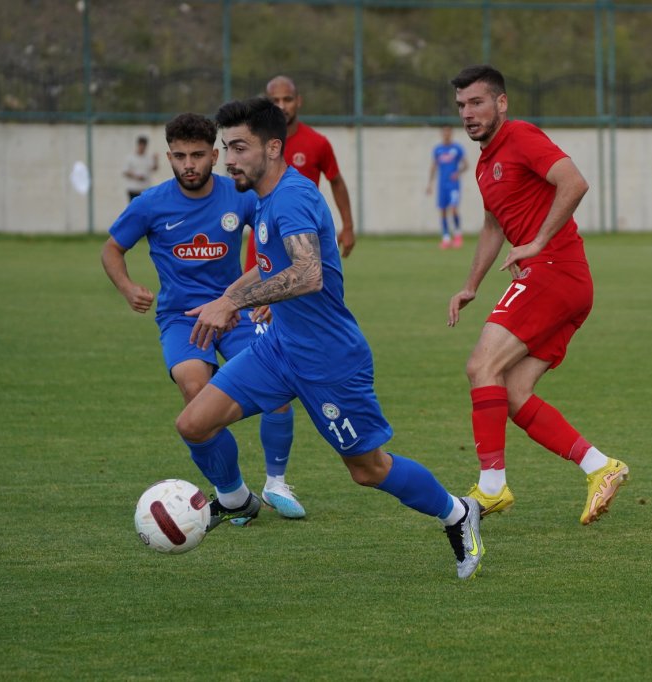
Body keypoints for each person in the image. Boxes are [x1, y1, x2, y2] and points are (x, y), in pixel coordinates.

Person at [178, 97, 484, 579]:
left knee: (368, 470)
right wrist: (227, 296)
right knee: (194, 423)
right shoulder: (263, 197)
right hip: (278, 349)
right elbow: (268, 265)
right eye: (225, 147)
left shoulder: (294, 198)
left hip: (329, 360)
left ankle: (458, 512)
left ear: (273, 147)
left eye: (238, 147)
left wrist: (231, 304)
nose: (228, 159)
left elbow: (308, 273)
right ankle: (237, 499)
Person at [447, 64, 628, 525]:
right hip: (561, 280)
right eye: (462, 106)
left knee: (480, 366)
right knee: (510, 391)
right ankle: (600, 466)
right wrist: (470, 286)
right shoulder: (486, 164)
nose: (468, 113)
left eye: (477, 103)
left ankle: (491, 488)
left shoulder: (522, 136)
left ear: (501, 103)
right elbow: (493, 226)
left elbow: (575, 183)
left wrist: (539, 241)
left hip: (554, 271)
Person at [101, 112, 305, 520]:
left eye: (197, 155)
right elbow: (111, 250)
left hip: (236, 311)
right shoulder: (151, 204)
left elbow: (277, 244)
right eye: (179, 156)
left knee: (279, 389)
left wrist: (263, 293)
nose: (188, 164)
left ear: (215, 155)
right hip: (181, 318)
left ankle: (277, 484)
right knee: (196, 392)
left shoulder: (240, 196)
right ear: (168, 157)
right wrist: (127, 288)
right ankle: (234, 494)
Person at [243, 75, 355, 270]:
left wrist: (348, 227)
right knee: (257, 297)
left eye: (287, 99)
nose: (282, 106)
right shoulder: (254, 143)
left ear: (298, 101)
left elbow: (336, 181)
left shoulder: (317, 142)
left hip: (304, 233)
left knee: (307, 293)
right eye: (274, 101)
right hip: (263, 234)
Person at [426, 126, 468, 249]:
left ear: (451, 134)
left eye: (448, 133)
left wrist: (458, 172)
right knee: (443, 210)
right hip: (442, 185)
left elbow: (466, 165)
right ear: (441, 134)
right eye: (444, 133)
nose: (446, 135)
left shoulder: (457, 148)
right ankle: (446, 238)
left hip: (453, 185)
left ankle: (458, 235)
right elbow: (433, 167)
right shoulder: (438, 150)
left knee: (454, 208)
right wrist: (430, 184)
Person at [123, 135, 159, 203]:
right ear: (138, 145)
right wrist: (136, 176)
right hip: (133, 189)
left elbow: (154, 169)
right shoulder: (130, 157)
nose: (142, 147)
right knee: (134, 210)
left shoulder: (148, 157)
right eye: (141, 145)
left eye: (144, 146)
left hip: (145, 189)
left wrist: (156, 160)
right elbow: (125, 172)